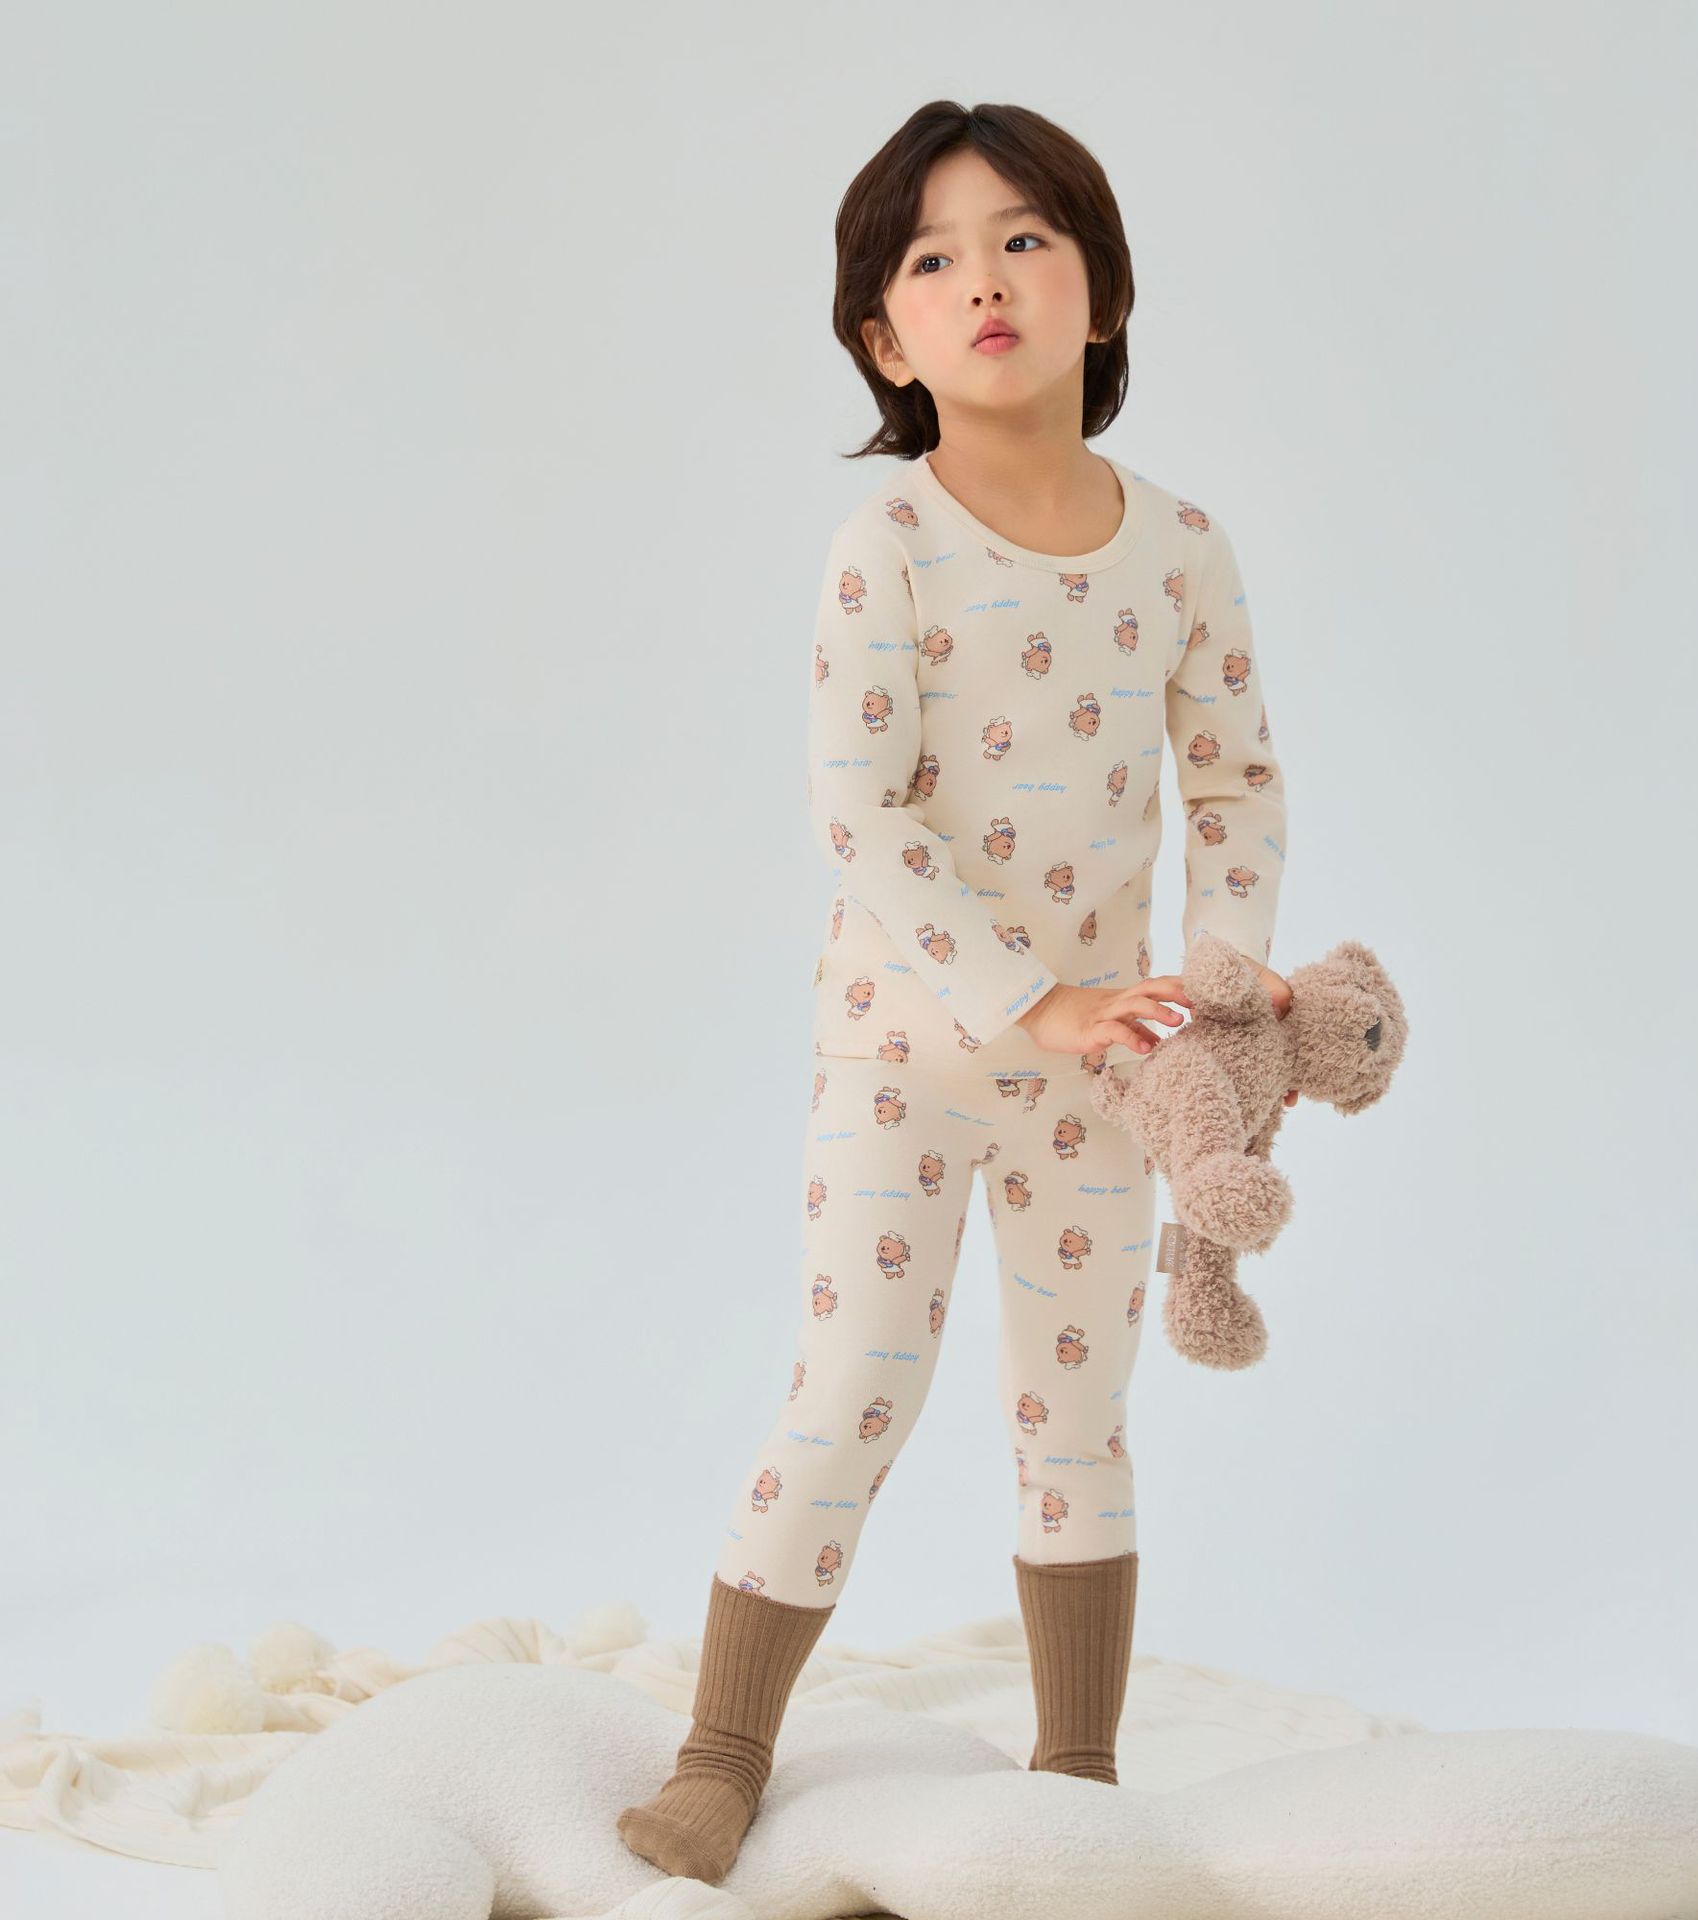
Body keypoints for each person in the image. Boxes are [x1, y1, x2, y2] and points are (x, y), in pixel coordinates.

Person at [618, 98, 1293, 1887]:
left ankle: (1078, 1768)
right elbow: (863, 812)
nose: (983, 279)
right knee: (855, 1382)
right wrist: (1030, 999)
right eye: (933, 260)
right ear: (884, 339)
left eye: (1024, 240)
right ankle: (721, 1750)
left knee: (1079, 1415)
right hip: (902, 1061)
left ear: (1103, 295)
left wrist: (1223, 985)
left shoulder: (1183, 546)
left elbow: (1235, 786)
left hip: (1114, 1075)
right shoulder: (890, 546)